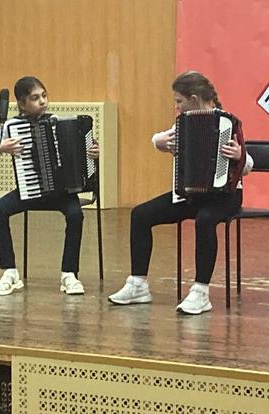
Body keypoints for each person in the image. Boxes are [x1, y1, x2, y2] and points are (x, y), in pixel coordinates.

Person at [108, 71, 253, 315]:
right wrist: (159, 142)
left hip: (224, 197)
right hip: (191, 195)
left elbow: (248, 165)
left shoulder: (227, 123)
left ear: (194, 99)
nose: (176, 106)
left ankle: (200, 292)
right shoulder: (183, 123)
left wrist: (240, 156)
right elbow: (159, 138)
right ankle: (138, 284)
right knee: (140, 215)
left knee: (205, 220)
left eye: (179, 101)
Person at [0, 76, 99, 296]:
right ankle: (10, 272)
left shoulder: (58, 122)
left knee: (75, 215)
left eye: (44, 96)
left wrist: (91, 153)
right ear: (22, 104)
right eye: (35, 98)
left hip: (62, 192)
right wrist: (0, 147)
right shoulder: (12, 126)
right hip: (30, 190)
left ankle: (69, 274)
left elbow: (82, 155)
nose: (42, 101)